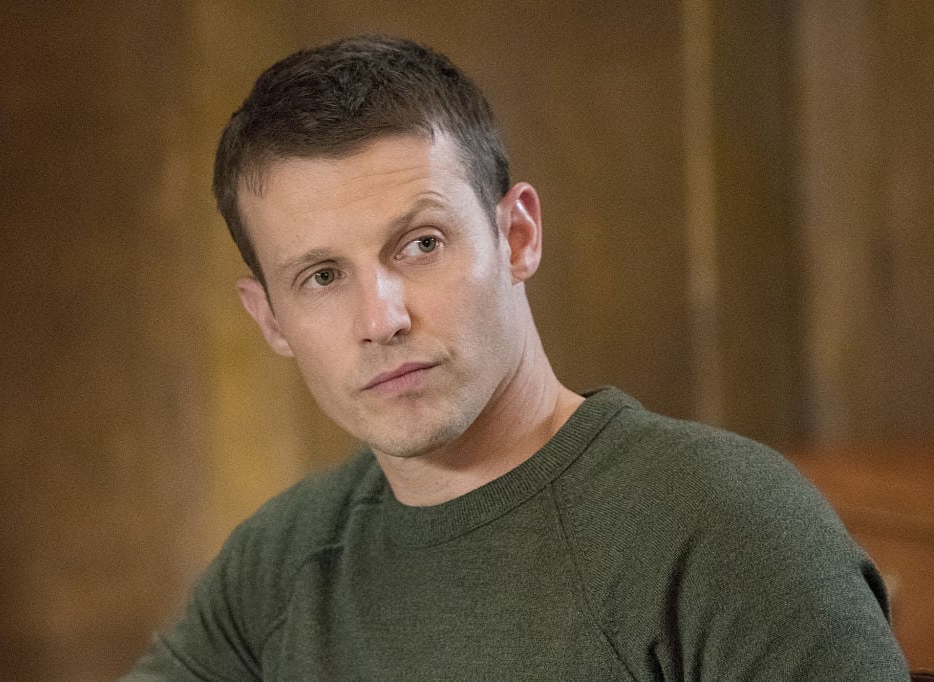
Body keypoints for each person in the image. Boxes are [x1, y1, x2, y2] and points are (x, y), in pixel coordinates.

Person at [125, 35, 908, 680]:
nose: (382, 319)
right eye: (323, 277)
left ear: (518, 237)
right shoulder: (280, 563)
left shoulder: (727, 528)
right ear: (270, 318)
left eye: (421, 244)